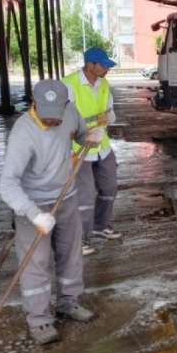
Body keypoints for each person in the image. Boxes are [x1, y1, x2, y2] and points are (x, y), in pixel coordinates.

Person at [0, 79, 104, 344]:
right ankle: (39, 319)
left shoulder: (69, 112)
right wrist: (33, 214)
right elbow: (7, 183)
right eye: (45, 116)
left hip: (66, 197)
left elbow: (80, 134)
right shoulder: (23, 133)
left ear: (65, 105)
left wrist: (90, 135)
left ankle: (69, 301)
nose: (51, 121)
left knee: (71, 253)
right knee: (36, 262)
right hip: (32, 203)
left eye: (55, 116)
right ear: (34, 102)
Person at [63, 46, 121, 256]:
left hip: (102, 146)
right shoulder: (68, 85)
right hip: (79, 150)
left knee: (109, 187)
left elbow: (111, 112)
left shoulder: (104, 84)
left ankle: (100, 225)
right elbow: (60, 121)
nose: (107, 69)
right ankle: (79, 240)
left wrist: (109, 117)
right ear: (91, 65)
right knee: (84, 195)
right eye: (104, 65)